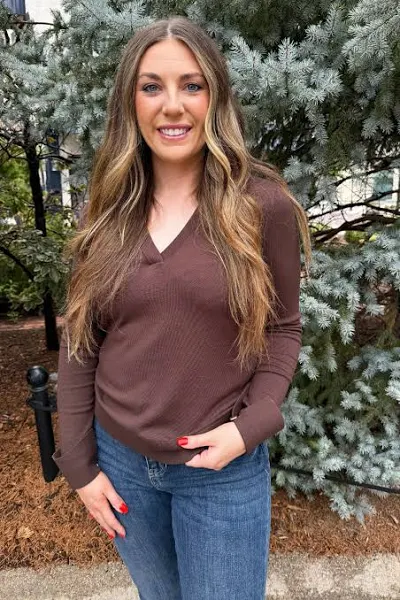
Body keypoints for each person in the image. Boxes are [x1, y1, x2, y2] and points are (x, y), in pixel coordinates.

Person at [52, 15, 312, 600]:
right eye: (153, 86)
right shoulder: (105, 210)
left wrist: (252, 426)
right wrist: (80, 466)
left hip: (221, 472)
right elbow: (81, 339)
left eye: (191, 85)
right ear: (131, 102)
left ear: (214, 97)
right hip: (121, 465)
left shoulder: (261, 205)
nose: (173, 105)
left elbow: (283, 327)